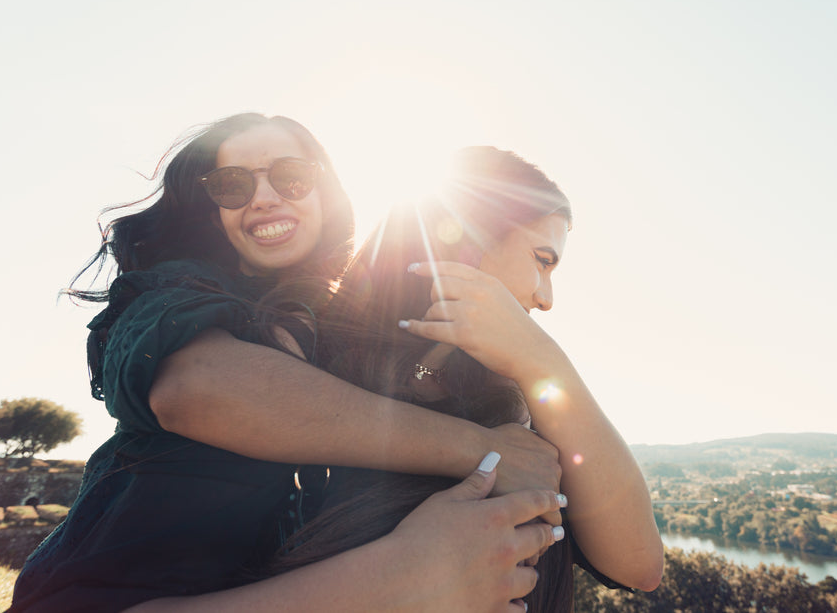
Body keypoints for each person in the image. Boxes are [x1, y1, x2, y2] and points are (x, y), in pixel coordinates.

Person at [9, 114, 565, 613]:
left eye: (291, 177)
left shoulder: (343, 324)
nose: (265, 197)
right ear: (212, 212)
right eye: (233, 185)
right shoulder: (168, 293)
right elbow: (199, 388)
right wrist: (475, 460)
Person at [258, 146, 663, 612]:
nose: (546, 297)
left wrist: (545, 361)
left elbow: (640, 565)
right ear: (466, 240)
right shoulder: (305, 340)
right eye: (542, 259)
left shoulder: (524, 401)